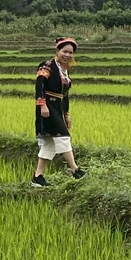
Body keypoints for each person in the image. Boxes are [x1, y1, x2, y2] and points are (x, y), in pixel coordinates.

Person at [32, 36, 84, 187]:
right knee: (63, 136)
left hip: (57, 107)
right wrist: (42, 105)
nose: (67, 55)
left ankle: (38, 176)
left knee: (49, 143)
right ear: (58, 50)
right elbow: (39, 86)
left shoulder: (65, 70)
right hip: (47, 106)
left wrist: (66, 115)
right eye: (64, 51)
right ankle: (75, 170)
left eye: (70, 52)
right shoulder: (47, 65)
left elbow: (65, 95)